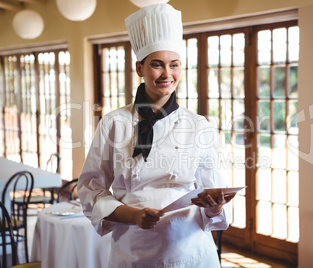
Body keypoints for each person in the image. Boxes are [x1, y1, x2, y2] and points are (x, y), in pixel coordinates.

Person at [78, 3, 235, 267]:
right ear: (139, 68)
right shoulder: (114, 123)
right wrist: (133, 215)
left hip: (190, 249)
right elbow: (90, 189)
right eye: (157, 65)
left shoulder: (199, 126)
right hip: (134, 247)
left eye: (174, 65)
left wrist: (215, 206)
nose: (167, 74)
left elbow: (209, 190)